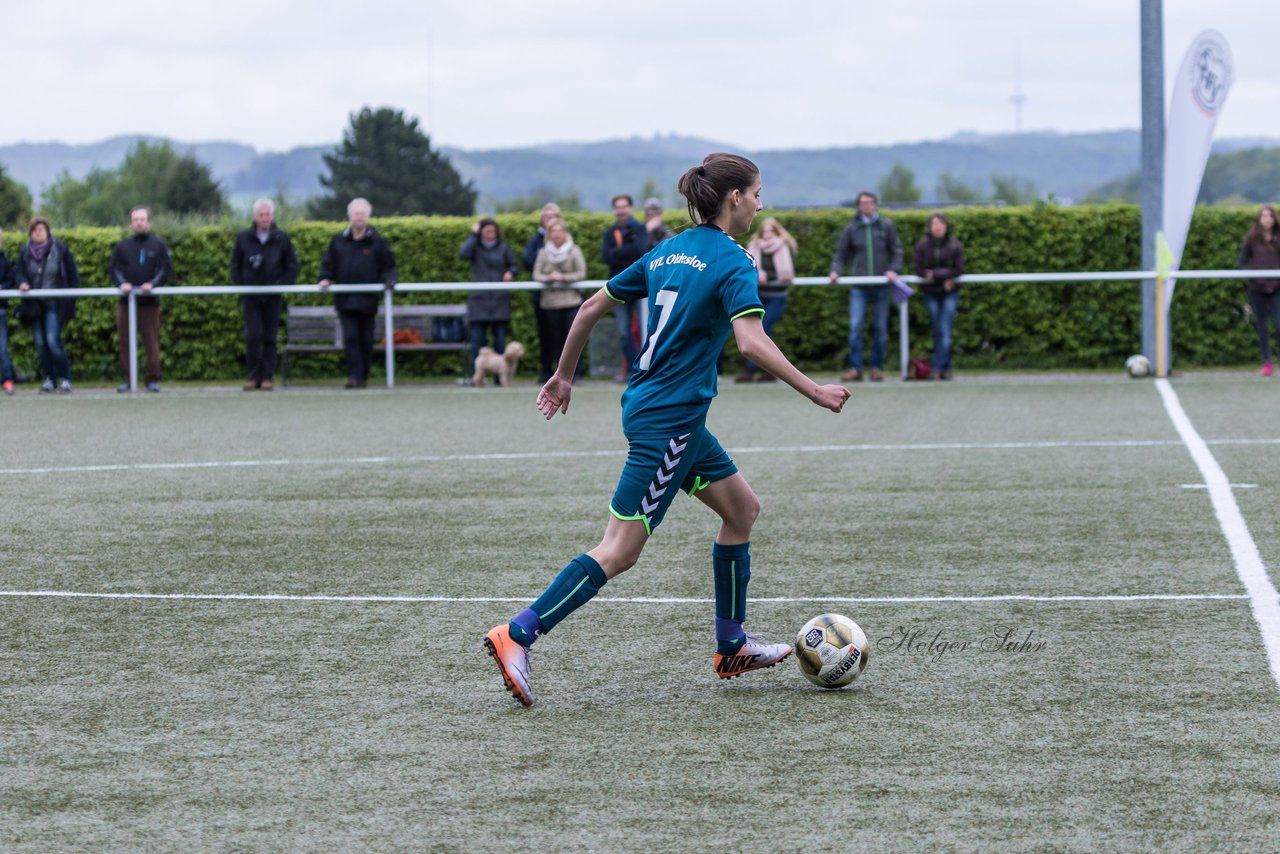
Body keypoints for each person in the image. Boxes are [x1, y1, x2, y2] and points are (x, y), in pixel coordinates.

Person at [482, 153, 851, 707]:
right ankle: (517, 634)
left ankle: (732, 646)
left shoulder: (666, 250)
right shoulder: (734, 260)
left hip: (660, 410)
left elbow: (586, 309)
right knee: (620, 549)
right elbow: (750, 343)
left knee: (742, 510)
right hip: (670, 421)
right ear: (733, 199)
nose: (760, 202)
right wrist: (816, 390)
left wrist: (563, 377)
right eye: (756, 192)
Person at [319, 198, 397, 389]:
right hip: (345, 301)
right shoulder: (337, 241)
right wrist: (325, 278)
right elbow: (328, 265)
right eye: (356, 213)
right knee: (351, 337)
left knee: (366, 339)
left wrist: (389, 280)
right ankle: (354, 376)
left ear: (368, 217)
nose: (359, 217)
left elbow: (389, 267)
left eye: (362, 214)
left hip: (368, 301)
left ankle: (363, 376)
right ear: (349, 217)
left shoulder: (377, 241)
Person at [828, 191, 903, 382]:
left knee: (880, 328)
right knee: (855, 327)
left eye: (870, 202)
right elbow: (840, 254)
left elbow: (897, 251)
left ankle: (877, 368)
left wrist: (894, 270)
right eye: (863, 203)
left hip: (881, 286)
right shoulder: (852, 228)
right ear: (858, 206)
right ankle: (856, 368)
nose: (867, 206)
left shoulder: (886, 226)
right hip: (859, 285)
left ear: (876, 204)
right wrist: (836, 270)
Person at [230, 199, 299, 390]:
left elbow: (291, 266)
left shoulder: (281, 238)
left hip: (273, 297)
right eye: (261, 215)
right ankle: (253, 377)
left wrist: (281, 285)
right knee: (252, 336)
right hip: (250, 297)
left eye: (267, 215)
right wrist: (242, 285)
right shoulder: (244, 238)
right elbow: (235, 265)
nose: (264, 218)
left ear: (272, 216)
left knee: (270, 337)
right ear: (255, 217)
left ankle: (267, 377)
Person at [109, 207, 170, 392]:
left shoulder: (158, 245)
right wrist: (122, 284)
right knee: (125, 342)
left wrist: (152, 284)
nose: (139, 222)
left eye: (142, 219)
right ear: (131, 223)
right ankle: (127, 379)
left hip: (149, 303)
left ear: (148, 222)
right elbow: (114, 269)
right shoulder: (122, 246)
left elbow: (165, 269)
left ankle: (152, 379)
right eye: (135, 219)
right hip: (126, 302)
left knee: (151, 342)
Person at [17, 217, 80, 393]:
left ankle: (65, 379)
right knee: (40, 343)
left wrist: (72, 298)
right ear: (30, 233)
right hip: (34, 306)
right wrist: (22, 282)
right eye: (35, 230)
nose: (39, 232)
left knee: (53, 340)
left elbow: (73, 274)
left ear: (48, 231)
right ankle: (49, 379)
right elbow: (19, 273)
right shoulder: (24, 251)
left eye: (42, 229)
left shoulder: (60, 248)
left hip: (55, 303)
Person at [738, 217, 797, 382]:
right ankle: (769, 370)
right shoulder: (753, 247)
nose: (767, 234)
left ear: (776, 232)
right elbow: (747, 268)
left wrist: (767, 276)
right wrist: (757, 275)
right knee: (761, 332)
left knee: (762, 329)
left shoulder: (786, 247)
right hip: (759, 295)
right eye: (764, 231)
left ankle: (750, 369)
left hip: (777, 296)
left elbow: (788, 274)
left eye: (771, 231)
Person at [600, 193, 649, 381]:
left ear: (630, 208)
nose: (621, 210)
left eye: (624, 206)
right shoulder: (609, 232)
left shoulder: (639, 228)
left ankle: (647, 369)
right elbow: (605, 256)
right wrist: (627, 251)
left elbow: (641, 251)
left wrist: (618, 252)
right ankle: (633, 369)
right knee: (623, 331)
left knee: (647, 329)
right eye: (617, 207)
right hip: (618, 287)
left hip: (641, 287)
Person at [459, 218, 519, 369]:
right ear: (481, 232)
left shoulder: (504, 248)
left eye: (492, 231)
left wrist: (510, 272)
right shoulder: (475, 247)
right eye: (486, 231)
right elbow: (463, 254)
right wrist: (473, 235)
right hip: (479, 301)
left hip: (499, 301)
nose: (490, 234)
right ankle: (477, 377)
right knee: (477, 343)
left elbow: (515, 266)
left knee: (500, 342)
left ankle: (501, 378)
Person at [913, 212, 965, 380]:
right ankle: (943, 368)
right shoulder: (922, 246)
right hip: (931, 293)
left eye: (940, 223)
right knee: (938, 331)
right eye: (934, 223)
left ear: (946, 226)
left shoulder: (955, 245)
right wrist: (941, 275)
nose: (937, 226)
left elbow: (959, 269)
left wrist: (936, 274)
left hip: (950, 292)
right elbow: (918, 269)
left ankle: (939, 368)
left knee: (945, 331)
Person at [532, 218, 586, 381]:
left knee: (574, 337)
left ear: (565, 232)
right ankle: (558, 374)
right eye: (553, 232)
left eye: (559, 231)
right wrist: (549, 278)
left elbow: (581, 273)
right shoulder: (543, 252)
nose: (556, 235)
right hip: (550, 303)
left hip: (571, 301)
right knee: (554, 339)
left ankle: (576, 373)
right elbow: (536, 274)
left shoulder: (574, 250)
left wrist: (562, 277)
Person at [1239, 203, 1280, 377]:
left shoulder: (1278, 238)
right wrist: (1251, 279)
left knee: (1279, 325)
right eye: (1264, 216)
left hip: (1277, 287)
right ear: (1259, 218)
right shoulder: (1252, 239)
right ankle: (1267, 363)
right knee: (1261, 327)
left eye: (1270, 216)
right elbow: (1241, 264)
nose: (1267, 219)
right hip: (1257, 289)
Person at [523, 203, 562, 382]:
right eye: (546, 217)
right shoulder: (535, 241)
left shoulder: (567, 241)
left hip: (564, 298)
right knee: (545, 335)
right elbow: (528, 261)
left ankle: (566, 371)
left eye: (553, 216)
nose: (549, 220)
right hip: (542, 297)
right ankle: (546, 371)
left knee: (564, 335)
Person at [0, 228, 14, 395]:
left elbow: (10, 281)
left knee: (2, 348)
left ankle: (8, 379)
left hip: (0, 310)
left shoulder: (5, 262)